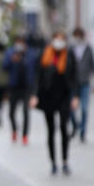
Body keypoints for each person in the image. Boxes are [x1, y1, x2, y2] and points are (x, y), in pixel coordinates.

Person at [31, 32, 79, 175]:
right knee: (51, 130)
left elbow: (74, 77)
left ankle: (65, 161)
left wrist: (75, 96)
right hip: (47, 97)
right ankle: (53, 163)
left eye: (61, 40)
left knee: (64, 128)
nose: (59, 42)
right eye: (56, 40)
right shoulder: (44, 54)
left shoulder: (69, 55)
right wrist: (34, 95)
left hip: (64, 96)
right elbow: (37, 76)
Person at [3, 35, 37, 144]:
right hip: (14, 86)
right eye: (17, 42)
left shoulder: (31, 54)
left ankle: (25, 135)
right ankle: (14, 130)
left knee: (25, 111)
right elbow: (4, 66)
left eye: (21, 42)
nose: (19, 45)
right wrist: (12, 60)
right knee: (11, 112)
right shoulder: (10, 52)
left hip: (27, 86)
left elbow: (35, 70)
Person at [69, 27, 94, 142]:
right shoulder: (70, 48)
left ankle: (83, 132)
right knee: (71, 108)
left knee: (84, 109)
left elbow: (93, 65)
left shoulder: (88, 48)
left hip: (85, 82)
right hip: (72, 83)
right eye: (76, 35)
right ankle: (75, 125)